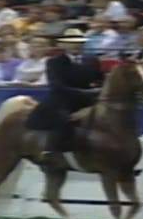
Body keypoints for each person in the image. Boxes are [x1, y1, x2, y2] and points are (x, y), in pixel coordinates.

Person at [28, 28, 103, 161]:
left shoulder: (92, 60)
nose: (75, 45)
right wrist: (87, 93)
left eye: (78, 42)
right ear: (63, 44)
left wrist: (98, 91)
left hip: (88, 100)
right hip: (63, 100)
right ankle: (51, 150)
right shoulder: (54, 62)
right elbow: (57, 86)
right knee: (63, 119)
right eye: (70, 42)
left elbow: (100, 79)